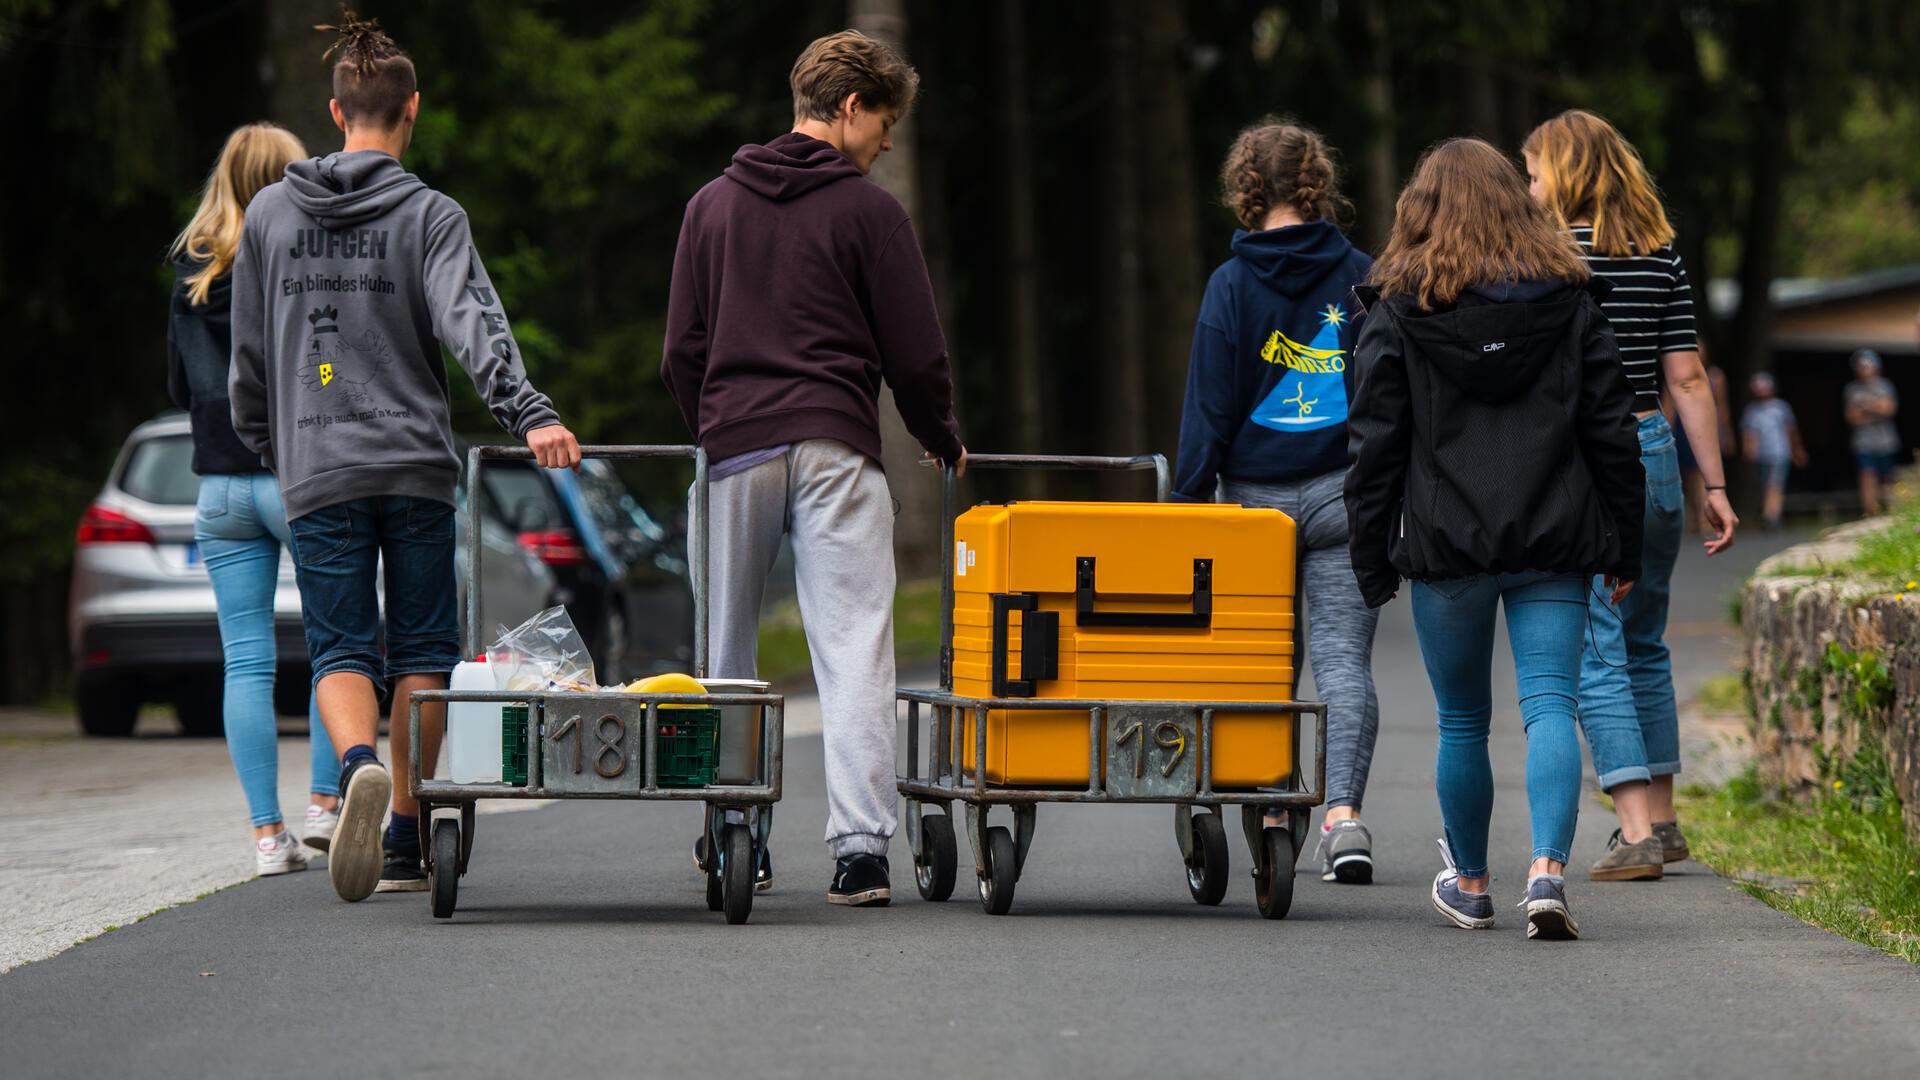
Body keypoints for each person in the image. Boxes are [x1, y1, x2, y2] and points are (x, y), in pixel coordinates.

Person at [229, 11, 582, 902]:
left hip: (318, 460)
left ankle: (353, 768)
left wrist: (272, 444)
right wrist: (529, 413)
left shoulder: (270, 213)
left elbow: (249, 352)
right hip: (417, 462)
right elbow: (475, 329)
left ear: (337, 111)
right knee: (421, 645)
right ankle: (403, 838)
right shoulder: (431, 215)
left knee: (340, 644)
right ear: (411, 110)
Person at [662, 29, 965, 907]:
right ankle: (861, 851)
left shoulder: (710, 207)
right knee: (854, 644)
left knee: (725, 650)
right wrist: (939, 431)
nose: (888, 141)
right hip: (835, 446)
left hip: (735, 447)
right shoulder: (870, 215)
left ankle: (732, 831)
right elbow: (915, 351)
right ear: (848, 108)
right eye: (885, 120)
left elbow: (681, 349)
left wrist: (715, 428)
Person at [1347, 138, 1645, 940]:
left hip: (1448, 544)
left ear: (1422, 208)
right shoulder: (1573, 302)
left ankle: (1472, 884)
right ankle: (1547, 874)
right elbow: (1612, 429)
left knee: (1462, 721)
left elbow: (1375, 444)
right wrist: (1626, 543)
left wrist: (1370, 554)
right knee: (1551, 704)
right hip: (1554, 533)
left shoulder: (1396, 311)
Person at [1523, 108, 1739, 882]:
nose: (1529, 184)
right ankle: (1669, 820)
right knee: (1646, 640)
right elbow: (1687, 376)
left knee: (1593, 645)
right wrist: (1712, 482)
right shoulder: (1659, 254)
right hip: (1652, 448)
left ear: (1568, 171)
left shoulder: (1545, 256)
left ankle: (1634, 831)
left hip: (1584, 457)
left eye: (1536, 169)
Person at [1172, 118, 1381, 884]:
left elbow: (1211, 408)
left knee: (1262, 665)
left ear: (1246, 191)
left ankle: (1266, 802)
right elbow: (1380, 396)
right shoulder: (1362, 273)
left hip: (1250, 508)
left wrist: (1189, 497)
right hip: (1343, 497)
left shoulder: (1230, 287)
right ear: (1316, 183)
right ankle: (1343, 818)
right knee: (1342, 664)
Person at [168, 123, 340, 876]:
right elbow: (324, 366)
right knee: (340, 644)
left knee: (246, 662)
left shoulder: (189, 265)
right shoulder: (295, 254)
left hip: (219, 488)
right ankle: (327, 808)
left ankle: (268, 840)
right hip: (294, 474)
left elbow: (178, 384)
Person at [1669, 353, 1733, 535]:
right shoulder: (1673, 371)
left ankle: (1704, 520)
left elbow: (1722, 406)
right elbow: (1669, 405)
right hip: (1682, 429)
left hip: (1707, 426)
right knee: (1686, 476)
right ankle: (1691, 519)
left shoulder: (1715, 376)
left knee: (1702, 475)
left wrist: (1726, 433)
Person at [1741, 373, 1805, 529]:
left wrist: (1796, 449)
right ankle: (1769, 513)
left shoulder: (1781, 408)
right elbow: (1748, 433)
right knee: (1765, 484)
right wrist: (1748, 449)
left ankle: (1771, 515)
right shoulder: (1751, 411)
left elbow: (1791, 430)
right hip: (1761, 454)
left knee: (1775, 483)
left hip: (1780, 452)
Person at [1843, 348, 1900, 516]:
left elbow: (1889, 409)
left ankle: (1889, 511)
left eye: (1868, 366)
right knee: (1867, 475)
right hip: (1863, 441)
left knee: (1887, 477)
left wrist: (1865, 406)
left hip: (1886, 440)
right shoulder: (1851, 389)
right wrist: (1876, 407)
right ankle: (1870, 511)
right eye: (1861, 366)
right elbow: (1852, 417)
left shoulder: (1885, 385)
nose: (1865, 369)